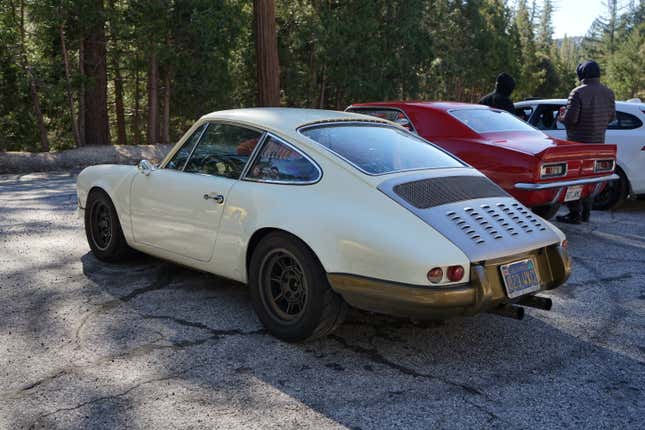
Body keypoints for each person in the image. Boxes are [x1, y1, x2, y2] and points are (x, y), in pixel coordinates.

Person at [556, 60, 616, 224]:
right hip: (598, 144)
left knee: (574, 180)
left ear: (581, 74)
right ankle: (586, 213)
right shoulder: (609, 93)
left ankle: (575, 213)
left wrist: (561, 116)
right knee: (590, 179)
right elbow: (611, 117)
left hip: (578, 145)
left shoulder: (577, 92)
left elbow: (571, 119)